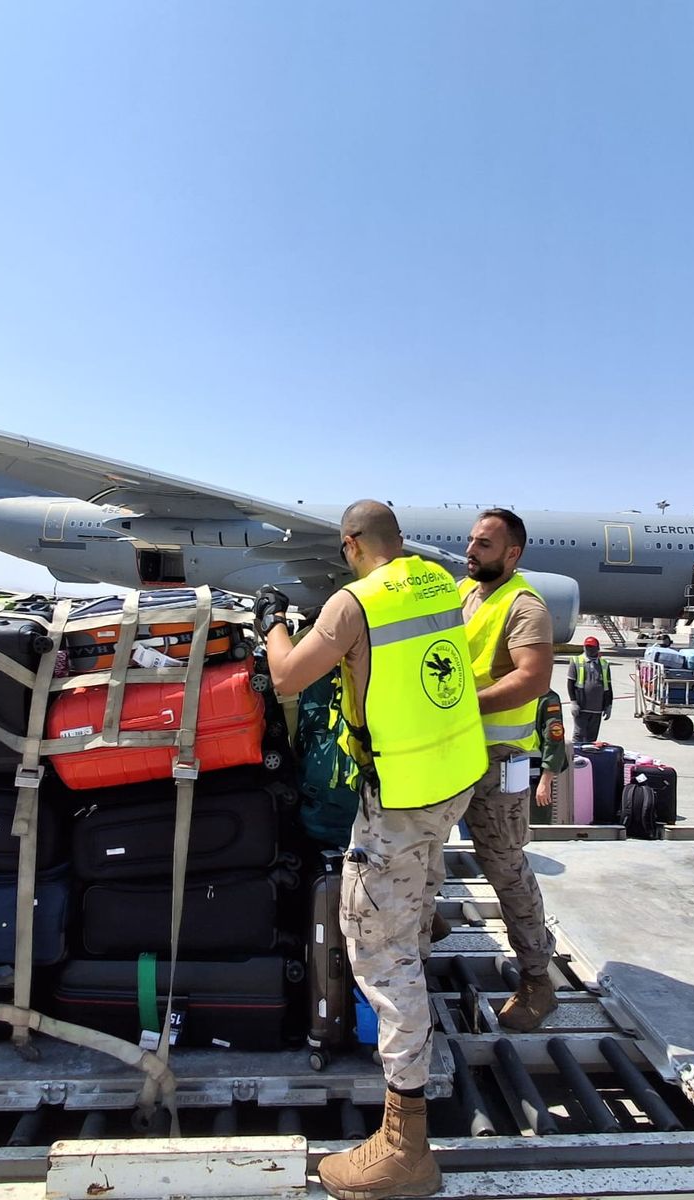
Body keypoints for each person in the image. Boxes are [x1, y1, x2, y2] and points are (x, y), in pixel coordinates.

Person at [258, 499, 486, 1200]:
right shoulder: (438, 582)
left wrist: (271, 623)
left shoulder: (353, 602)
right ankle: (420, 920)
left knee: (379, 957)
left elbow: (289, 675)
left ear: (352, 543)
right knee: (412, 900)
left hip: (402, 796)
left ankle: (404, 1145)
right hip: (454, 778)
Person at [455, 508, 558, 1033]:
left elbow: (534, 679)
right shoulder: (465, 592)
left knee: (504, 866)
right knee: (419, 846)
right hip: (452, 754)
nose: (472, 550)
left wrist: (464, 705)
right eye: (472, 540)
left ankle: (538, 977)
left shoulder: (524, 607)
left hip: (499, 763)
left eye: (485, 545)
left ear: (512, 554)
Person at [567, 635, 611, 744]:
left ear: (597, 649)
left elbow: (608, 687)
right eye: (587, 647)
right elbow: (570, 683)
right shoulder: (576, 661)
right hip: (581, 708)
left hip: (597, 709)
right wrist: (573, 702)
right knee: (579, 735)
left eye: (592, 647)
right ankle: (576, 758)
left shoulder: (604, 664)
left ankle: (588, 759)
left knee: (592, 739)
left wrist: (608, 705)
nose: (589, 649)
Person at [533, 688, 569, 821]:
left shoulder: (547, 699)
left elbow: (554, 741)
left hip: (534, 777)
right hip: (506, 773)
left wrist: (545, 782)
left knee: (536, 828)